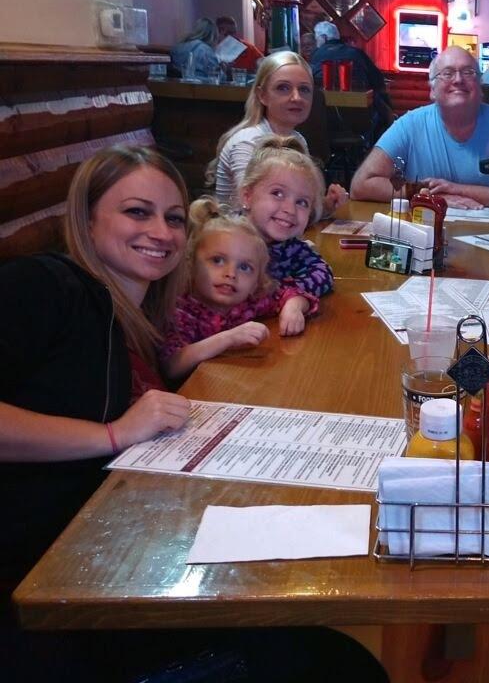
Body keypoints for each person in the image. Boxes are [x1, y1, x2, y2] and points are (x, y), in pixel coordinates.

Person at [0, 145, 192, 617]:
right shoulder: (43, 284)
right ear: (86, 220)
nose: (161, 233)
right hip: (36, 585)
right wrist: (113, 435)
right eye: (137, 213)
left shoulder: (140, 315)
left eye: (175, 218)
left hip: (108, 550)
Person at [350, 46, 489, 210]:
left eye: (468, 72)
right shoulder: (409, 125)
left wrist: (457, 189)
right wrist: (429, 197)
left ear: (480, 88)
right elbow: (361, 185)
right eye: (448, 73)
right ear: (432, 90)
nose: (458, 79)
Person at [159, 198, 319, 380]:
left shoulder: (249, 301)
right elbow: (170, 366)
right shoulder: (181, 310)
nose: (231, 274)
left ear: (256, 282)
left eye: (244, 267)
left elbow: (288, 293)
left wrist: (294, 306)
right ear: (191, 263)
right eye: (217, 260)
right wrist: (228, 339)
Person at [211, 50, 346, 211]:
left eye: (304, 89)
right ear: (262, 96)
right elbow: (253, 212)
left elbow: (293, 206)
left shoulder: (297, 139)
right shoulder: (248, 141)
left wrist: (326, 206)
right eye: (283, 88)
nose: (296, 97)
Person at [238, 135, 334, 298]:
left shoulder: (292, 249)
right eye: (277, 193)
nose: (290, 209)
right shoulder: (222, 238)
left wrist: (290, 295)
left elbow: (323, 273)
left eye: (302, 202)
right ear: (247, 196)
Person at [310, 21, 394, 137]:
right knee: (381, 103)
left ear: (323, 38)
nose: (316, 43)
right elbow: (377, 80)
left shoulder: (316, 55)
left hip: (324, 121)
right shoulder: (356, 53)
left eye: (316, 39)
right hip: (360, 121)